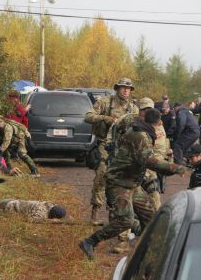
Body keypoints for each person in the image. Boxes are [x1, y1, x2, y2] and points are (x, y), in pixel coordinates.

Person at [79, 109, 187, 260]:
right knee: (125, 220)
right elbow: (149, 161)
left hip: (131, 183)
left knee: (150, 217)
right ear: (158, 123)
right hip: (119, 183)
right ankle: (90, 242)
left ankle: (147, 253)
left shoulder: (141, 130)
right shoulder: (140, 135)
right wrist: (175, 167)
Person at [84, 78, 138, 224]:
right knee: (102, 175)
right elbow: (88, 117)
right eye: (123, 88)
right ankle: (95, 212)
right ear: (117, 88)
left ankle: (118, 214)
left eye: (129, 88)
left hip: (124, 148)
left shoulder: (133, 108)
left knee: (124, 181)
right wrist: (104, 118)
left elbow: (140, 126)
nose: (126, 90)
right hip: (105, 144)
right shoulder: (105, 102)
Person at [0, 199, 66, 221]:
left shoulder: (49, 205)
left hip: (14, 201)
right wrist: (51, 221)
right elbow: (32, 219)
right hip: (10, 207)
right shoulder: (42, 213)